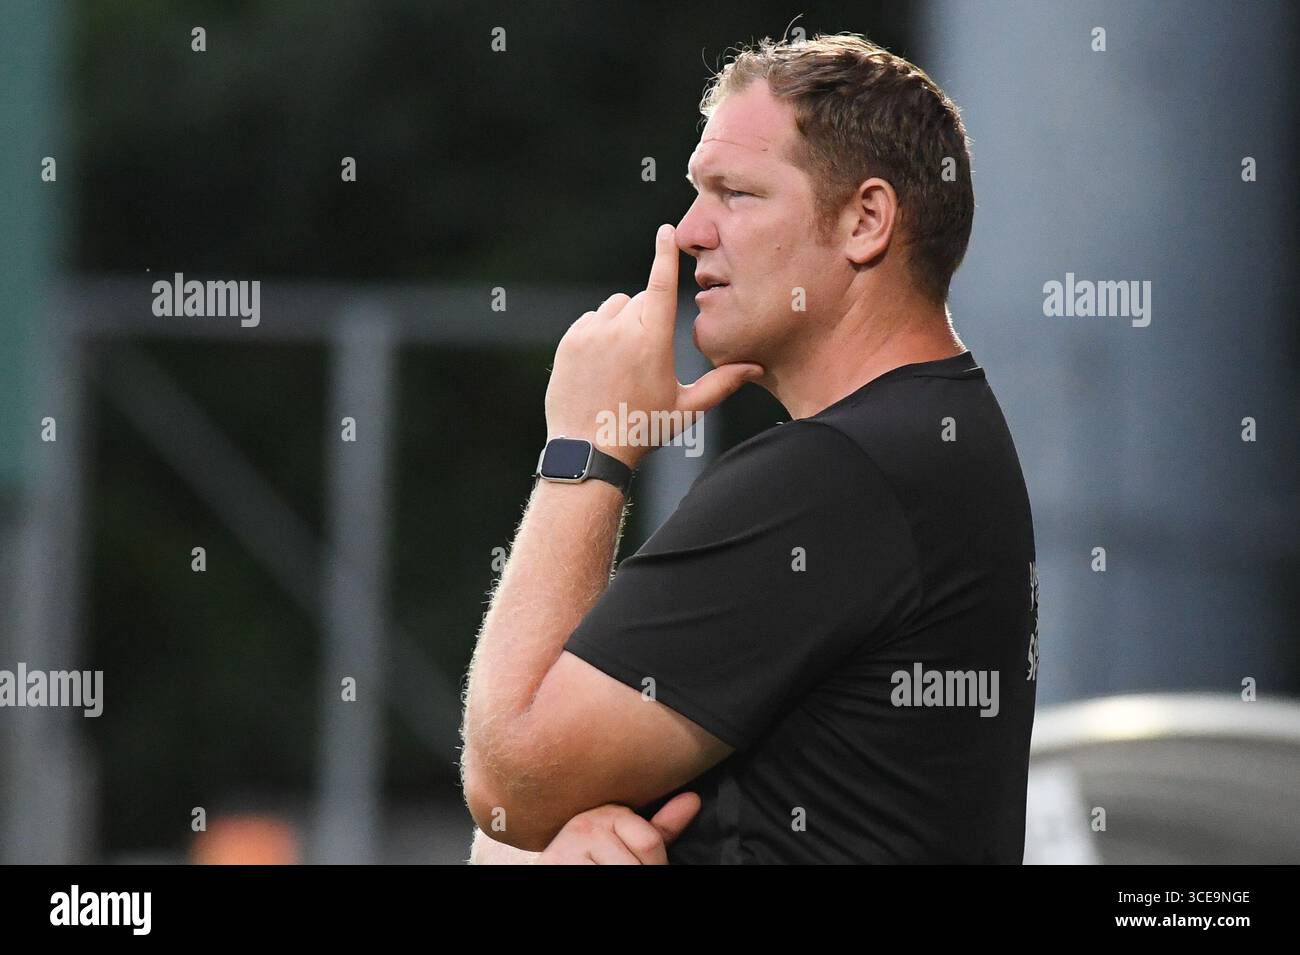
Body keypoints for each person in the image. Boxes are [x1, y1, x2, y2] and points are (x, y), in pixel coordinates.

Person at [461, 32, 1038, 864]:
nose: (691, 230)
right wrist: (567, 825)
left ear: (866, 221)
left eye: (735, 192)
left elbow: (511, 781)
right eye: (698, 192)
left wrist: (586, 447)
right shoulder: (940, 434)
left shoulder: (837, 475)